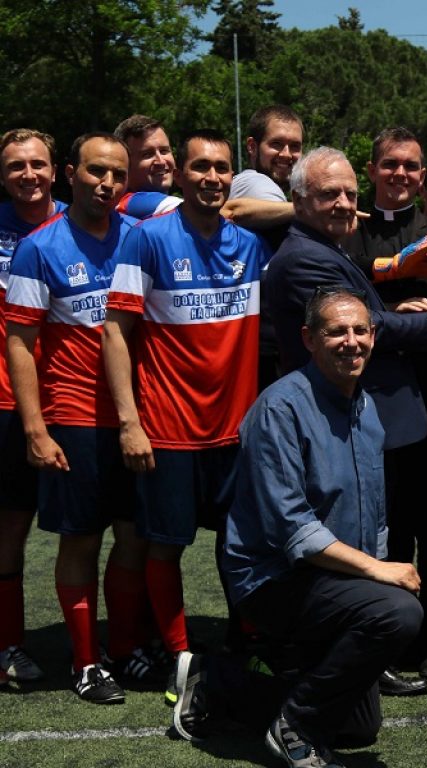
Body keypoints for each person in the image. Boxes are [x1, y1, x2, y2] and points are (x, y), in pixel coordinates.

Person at [172, 286, 423, 768]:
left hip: (332, 578)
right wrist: (377, 572)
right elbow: (293, 531)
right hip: (274, 579)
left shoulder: (365, 406)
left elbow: (375, 513)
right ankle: (295, 727)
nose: (350, 341)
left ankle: (216, 682)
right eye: (335, 332)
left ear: (374, 336)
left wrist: (376, 565)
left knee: (357, 727)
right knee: (398, 611)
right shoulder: (279, 409)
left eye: (360, 330)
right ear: (308, 338)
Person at [264, 145, 427, 693]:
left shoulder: (340, 244)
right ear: (299, 200)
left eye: (346, 196)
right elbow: (357, 330)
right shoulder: (311, 253)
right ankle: (351, 648)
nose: (342, 203)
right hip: (340, 412)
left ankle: (400, 640)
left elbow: (365, 318)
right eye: (328, 194)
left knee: (417, 528)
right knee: (358, 532)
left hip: (411, 411)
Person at [102, 130, 271, 703]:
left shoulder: (250, 244)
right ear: (181, 175)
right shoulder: (147, 240)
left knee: (242, 543)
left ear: (232, 175)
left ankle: (246, 633)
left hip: (238, 431)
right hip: (168, 429)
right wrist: (130, 420)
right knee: (164, 546)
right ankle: (180, 652)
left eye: (222, 168)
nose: (211, 177)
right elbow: (116, 333)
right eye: (200, 166)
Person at [6, 132, 151, 703]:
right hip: (74, 418)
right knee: (81, 540)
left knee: (135, 536)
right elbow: (20, 344)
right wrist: (35, 430)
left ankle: (124, 647)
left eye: (117, 175)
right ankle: (86, 661)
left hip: (137, 416)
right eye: (96, 172)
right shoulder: (38, 248)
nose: (107, 184)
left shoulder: (139, 239)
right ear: (72, 174)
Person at [0, 128, 67, 685]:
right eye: (17, 166)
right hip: (5, 403)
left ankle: (108, 644)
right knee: (11, 526)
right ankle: (9, 644)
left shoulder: (85, 218)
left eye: (37, 164)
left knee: (89, 529)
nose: (29, 174)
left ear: (56, 169)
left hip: (73, 404)